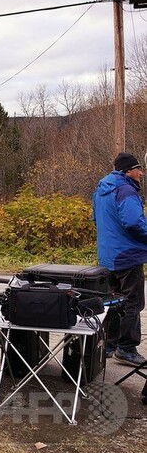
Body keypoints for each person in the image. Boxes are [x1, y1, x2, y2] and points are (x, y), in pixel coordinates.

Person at [93, 151, 147, 367]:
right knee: (132, 303)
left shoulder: (100, 190)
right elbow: (134, 222)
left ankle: (108, 345)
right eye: (138, 169)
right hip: (128, 256)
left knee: (112, 302)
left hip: (107, 256)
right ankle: (126, 348)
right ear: (128, 171)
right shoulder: (126, 190)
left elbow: (96, 219)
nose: (141, 173)